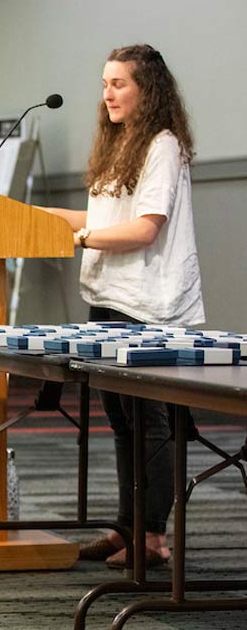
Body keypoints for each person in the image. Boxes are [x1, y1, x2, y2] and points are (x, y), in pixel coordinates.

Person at [43, 44, 202, 569]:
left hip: (149, 304)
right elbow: (103, 216)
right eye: (105, 83)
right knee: (120, 418)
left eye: (119, 84)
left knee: (149, 421)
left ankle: (153, 537)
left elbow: (143, 228)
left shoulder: (162, 145)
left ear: (146, 90)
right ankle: (128, 524)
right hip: (109, 296)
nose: (107, 93)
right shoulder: (119, 144)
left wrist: (82, 238)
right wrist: (41, 217)